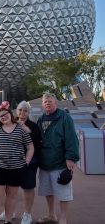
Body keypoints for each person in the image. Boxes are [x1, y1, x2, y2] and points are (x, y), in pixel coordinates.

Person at [0, 107, 34, 224]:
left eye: (5, 114)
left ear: (10, 114)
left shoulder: (21, 129)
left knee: (12, 196)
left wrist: (26, 163)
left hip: (16, 169)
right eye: (0, 116)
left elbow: (30, 147)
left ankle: (8, 221)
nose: (3, 117)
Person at [37, 93, 79, 224]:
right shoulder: (41, 118)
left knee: (63, 192)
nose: (47, 103)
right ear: (42, 104)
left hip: (60, 162)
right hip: (45, 162)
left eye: (50, 101)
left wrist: (71, 158)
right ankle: (51, 215)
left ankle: (63, 218)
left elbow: (72, 139)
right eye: (45, 102)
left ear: (55, 103)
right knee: (48, 190)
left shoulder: (65, 118)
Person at [0, 101, 41, 224]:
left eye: (25, 110)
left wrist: (28, 131)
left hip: (29, 163)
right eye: (20, 110)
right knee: (9, 188)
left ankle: (27, 215)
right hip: (11, 162)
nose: (22, 112)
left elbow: (37, 143)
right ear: (16, 111)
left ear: (29, 112)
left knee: (28, 188)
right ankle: (9, 212)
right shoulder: (10, 123)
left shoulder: (33, 126)